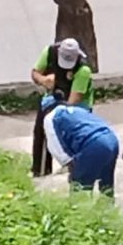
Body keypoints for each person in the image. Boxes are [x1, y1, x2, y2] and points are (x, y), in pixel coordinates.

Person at [30, 38, 94, 177]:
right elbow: (35, 73)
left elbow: (73, 101)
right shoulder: (49, 52)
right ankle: (40, 171)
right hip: (53, 97)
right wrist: (44, 80)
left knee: (70, 131)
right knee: (41, 129)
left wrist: (57, 117)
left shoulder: (83, 70)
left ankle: (75, 166)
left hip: (77, 105)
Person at [42, 100, 120, 193]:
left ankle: (80, 206)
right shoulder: (78, 110)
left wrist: (71, 167)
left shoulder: (50, 117)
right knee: (106, 185)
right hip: (111, 139)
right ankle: (108, 206)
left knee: (80, 189)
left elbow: (55, 148)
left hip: (93, 144)